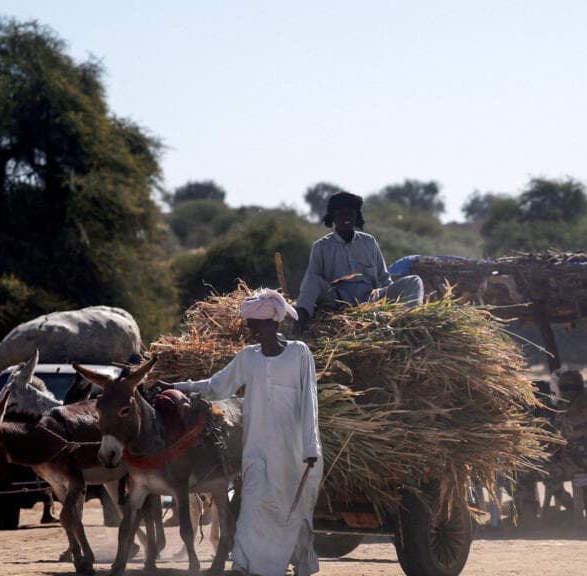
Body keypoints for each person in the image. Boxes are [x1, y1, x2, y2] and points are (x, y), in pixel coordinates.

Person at [170, 289, 322, 576]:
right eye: (250, 323)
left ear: (274, 324)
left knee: (293, 512)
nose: (251, 328)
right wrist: (181, 386)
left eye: (256, 323)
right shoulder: (248, 358)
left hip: (295, 453)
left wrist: (311, 447)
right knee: (251, 508)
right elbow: (217, 386)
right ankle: (243, 564)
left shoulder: (299, 353)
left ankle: (302, 563)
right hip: (256, 449)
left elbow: (309, 402)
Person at [295, 190, 423, 332]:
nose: (345, 218)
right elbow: (311, 282)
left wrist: (388, 298)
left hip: (371, 298)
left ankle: (411, 321)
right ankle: (299, 321)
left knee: (414, 281)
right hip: (337, 300)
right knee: (311, 280)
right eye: (340, 214)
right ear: (333, 217)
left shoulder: (369, 242)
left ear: (357, 217)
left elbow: (384, 278)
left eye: (350, 213)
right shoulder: (321, 246)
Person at [543, 369, 587, 516]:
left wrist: (585, 445)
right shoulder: (561, 409)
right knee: (542, 470)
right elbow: (558, 435)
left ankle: (575, 510)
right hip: (567, 458)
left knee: (550, 474)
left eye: (571, 388)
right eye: (564, 388)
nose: (568, 392)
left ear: (579, 388)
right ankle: (573, 506)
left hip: (585, 459)